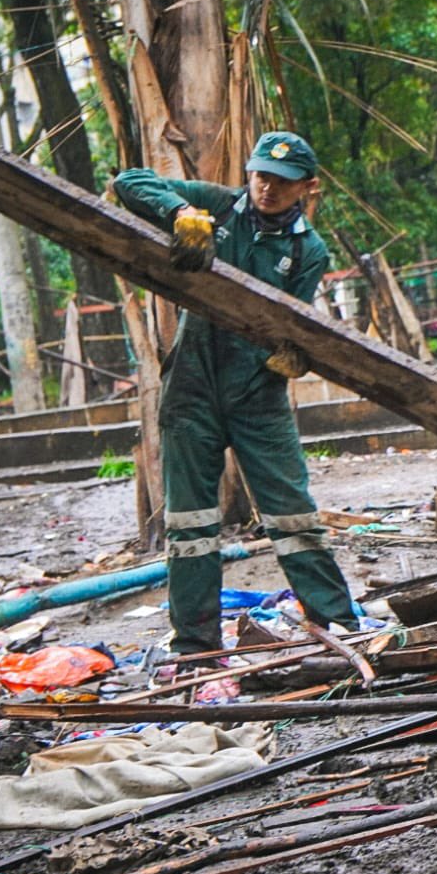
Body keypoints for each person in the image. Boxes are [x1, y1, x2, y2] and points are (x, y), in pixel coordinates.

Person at [113, 132, 359, 656]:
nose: (267, 188)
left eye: (283, 182)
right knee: (190, 527)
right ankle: (195, 645)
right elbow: (128, 182)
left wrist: (294, 354)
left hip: (259, 395)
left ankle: (338, 622)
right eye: (261, 175)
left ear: (307, 188)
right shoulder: (216, 206)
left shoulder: (306, 250)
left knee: (294, 517)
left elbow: (293, 320)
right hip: (192, 389)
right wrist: (180, 212)